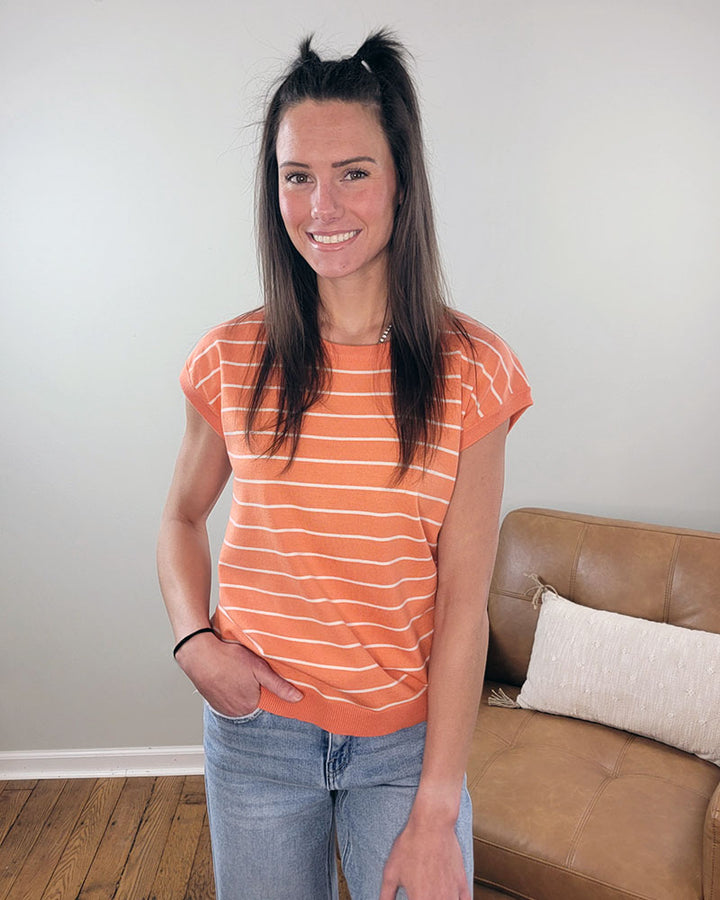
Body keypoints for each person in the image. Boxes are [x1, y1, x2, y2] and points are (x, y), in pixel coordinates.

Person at [157, 29, 532, 900]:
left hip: (405, 750)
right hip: (256, 740)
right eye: (297, 176)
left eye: (353, 172)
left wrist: (438, 804)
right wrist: (191, 640)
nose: (321, 205)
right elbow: (179, 516)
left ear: (402, 180)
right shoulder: (230, 357)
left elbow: (464, 603)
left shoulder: (475, 370)